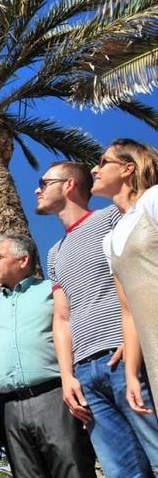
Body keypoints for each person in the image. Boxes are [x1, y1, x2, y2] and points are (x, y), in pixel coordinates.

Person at [36, 160, 158, 478]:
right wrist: (67, 376)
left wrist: (136, 341)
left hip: (127, 361)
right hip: (86, 375)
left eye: (44, 182)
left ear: (69, 185)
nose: (37, 189)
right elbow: (62, 317)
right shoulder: (55, 252)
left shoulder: (111, 219)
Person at [0, 233, 99, 478]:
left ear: (23, 260)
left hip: (54, 398)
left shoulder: (51, 292)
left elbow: (72, 333)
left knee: (75, 477)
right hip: (9, 408)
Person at [91, 139, 158, 415]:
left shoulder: (153, 200)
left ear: (127, 168)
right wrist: (131, 373)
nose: (94, 169)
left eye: (103, 162)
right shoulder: (111, 239)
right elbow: (128, 310)